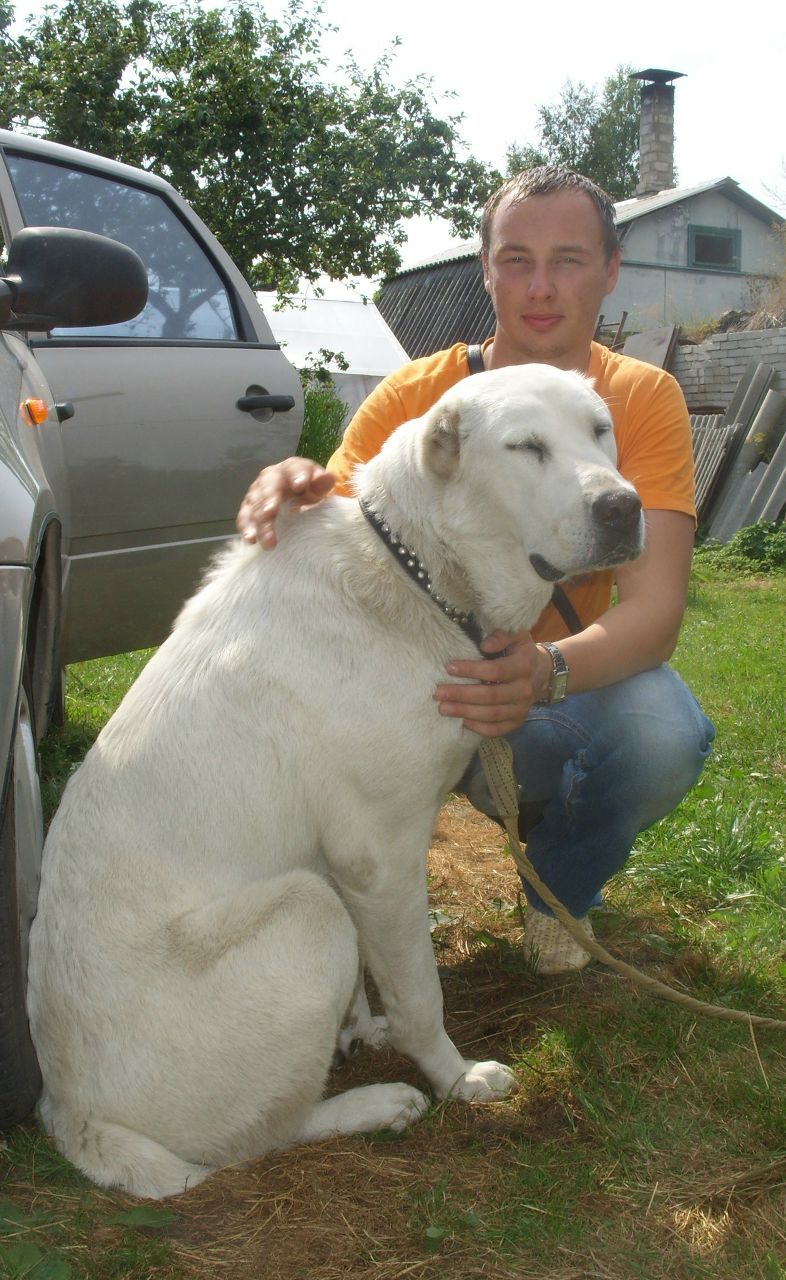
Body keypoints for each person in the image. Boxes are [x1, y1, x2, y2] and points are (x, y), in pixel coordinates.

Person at [236, 165, 715, 976]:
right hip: (416, 689)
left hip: (546, 696)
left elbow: (657, 609)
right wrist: (289, 484)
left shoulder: (641, 397)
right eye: (515, 258)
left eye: (567, 259)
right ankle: (331, 904)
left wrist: (543, 672)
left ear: (610, 269)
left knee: (661, 736)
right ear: (484, 268)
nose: (539, 286)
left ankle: (558, 892)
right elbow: (337, 522)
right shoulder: (420, 397)